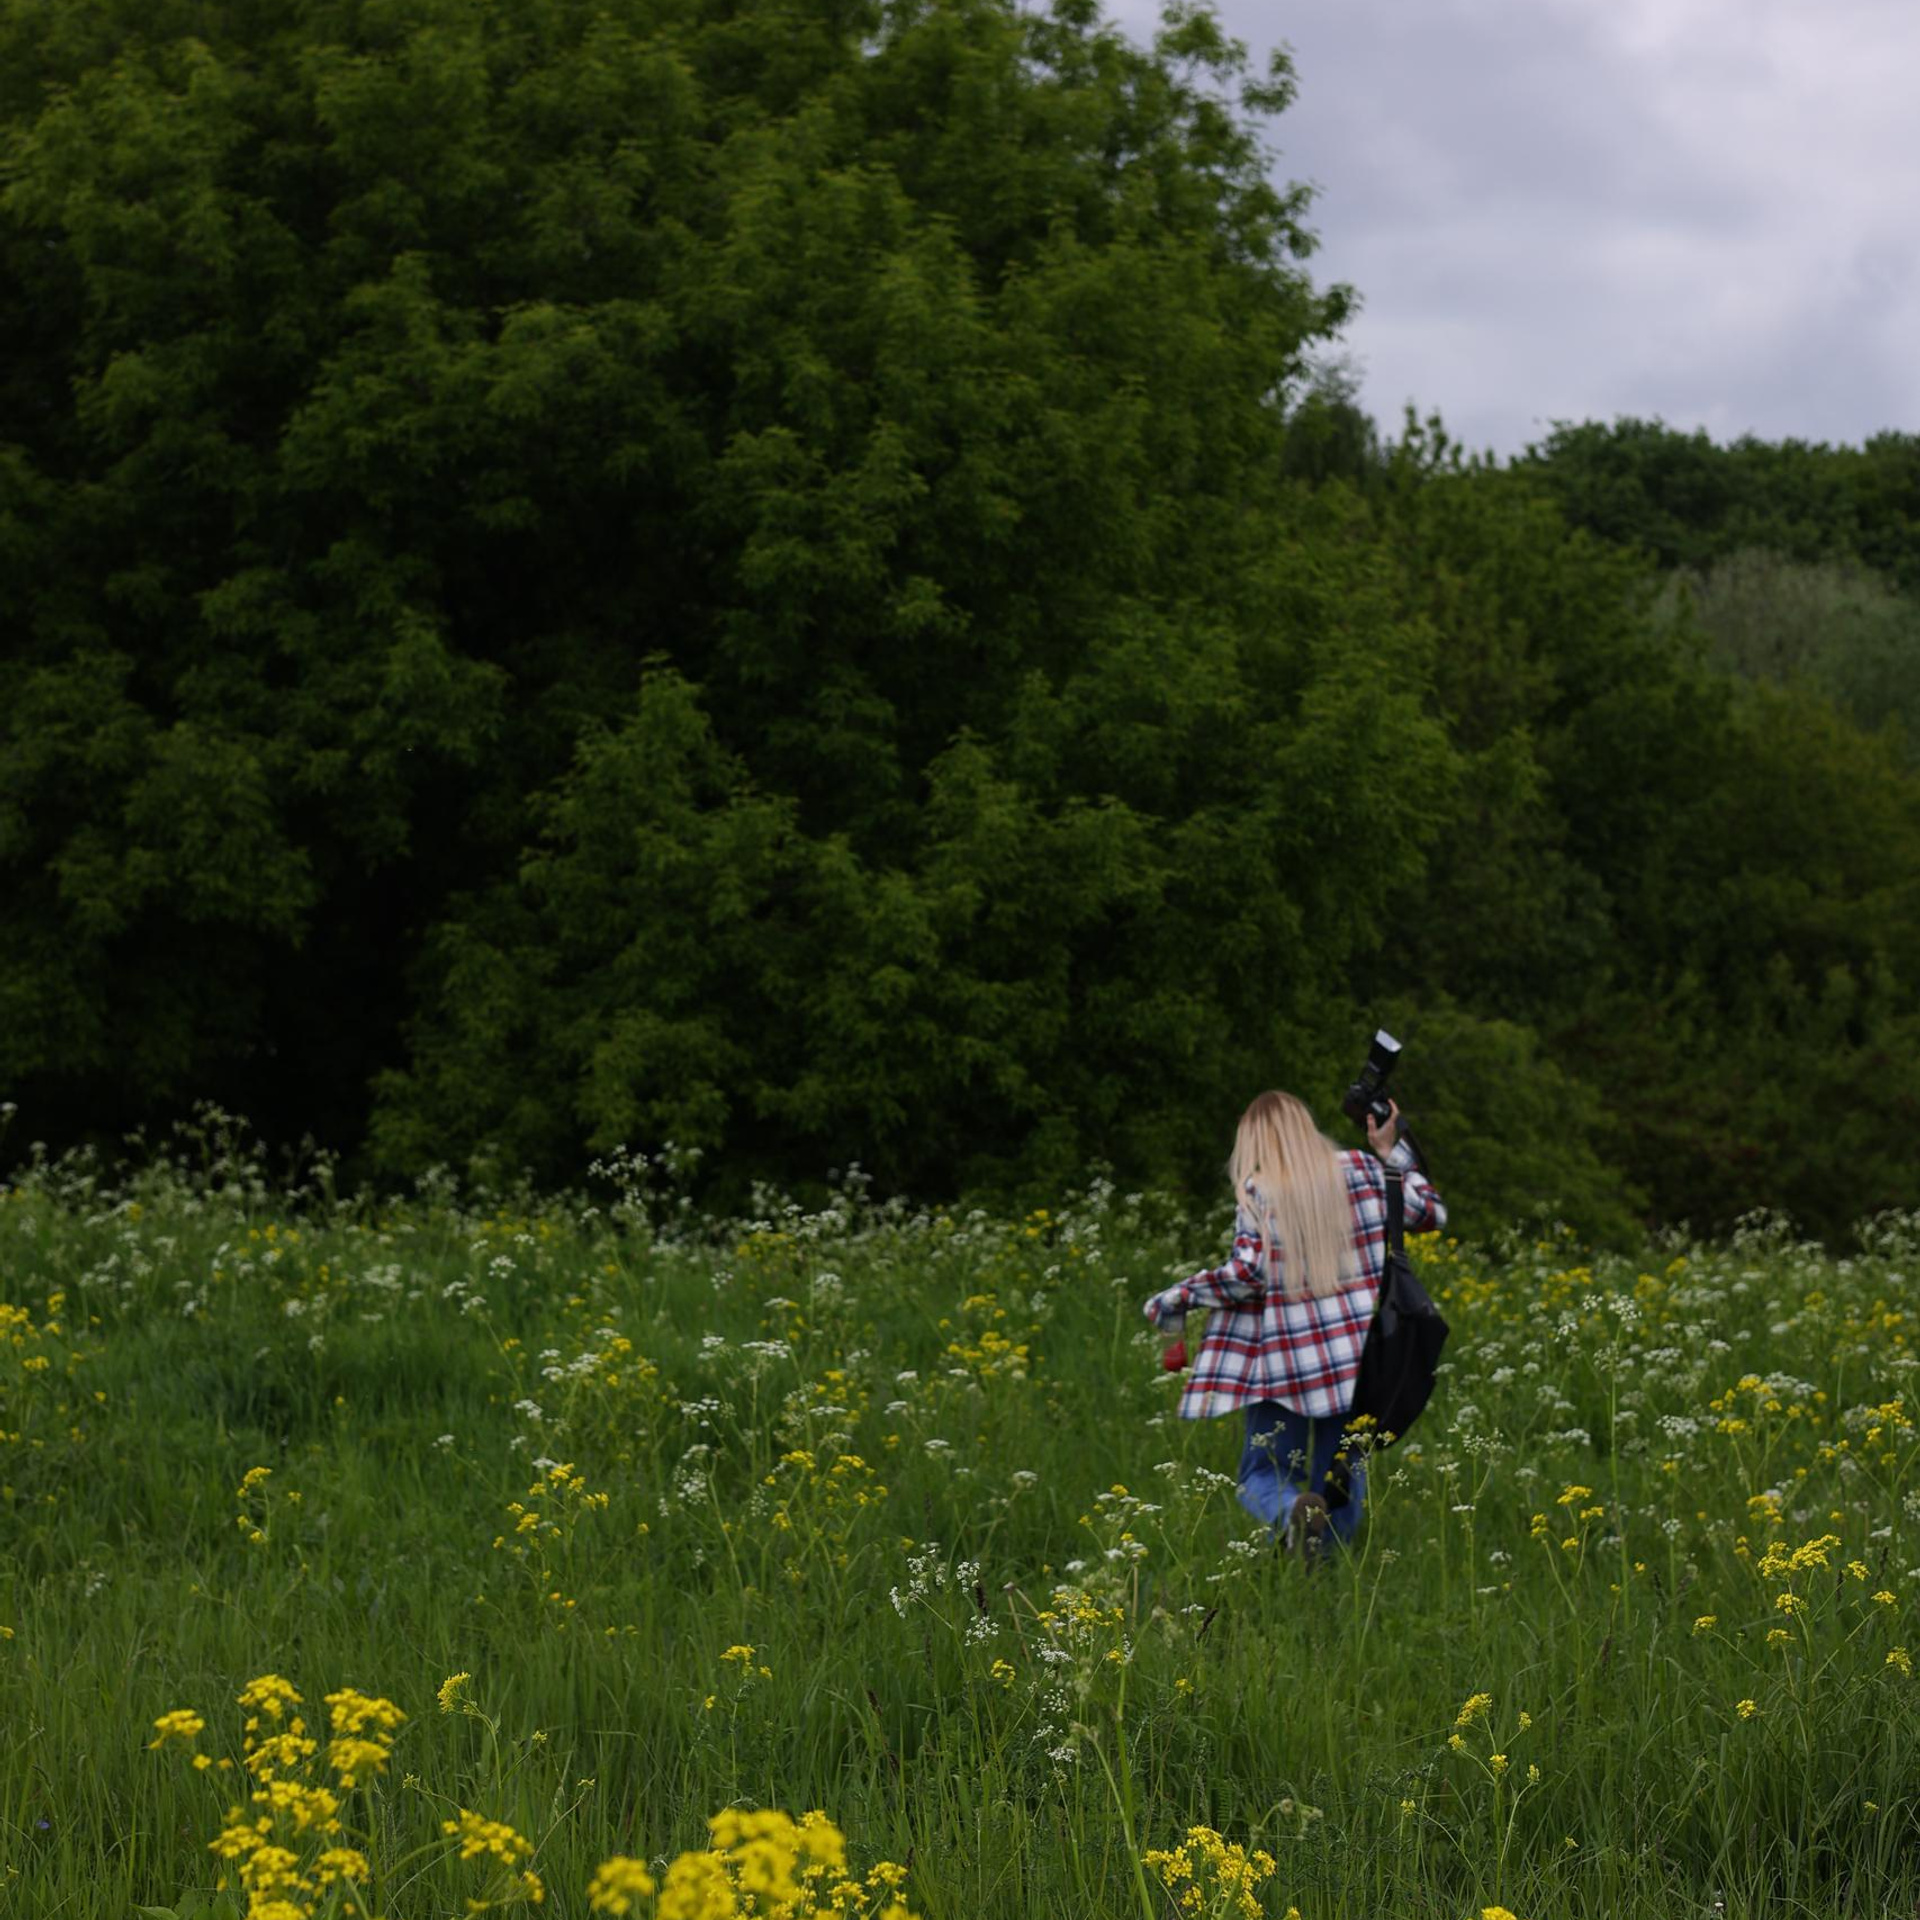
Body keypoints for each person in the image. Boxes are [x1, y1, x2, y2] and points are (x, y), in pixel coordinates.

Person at [1142, 1089, 1446, 1558]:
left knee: (1261, 1474)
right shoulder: (1365, 1170)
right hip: (1357, 1362)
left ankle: (1291, 1515)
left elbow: (1247, 1274)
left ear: (1253, 1142)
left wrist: (1176, 1298)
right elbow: (1431, 1213)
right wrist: (1391, 1150)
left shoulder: (1258, 1191)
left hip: (1285, 1365)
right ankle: (1327, 1571)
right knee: (1340, 1473)